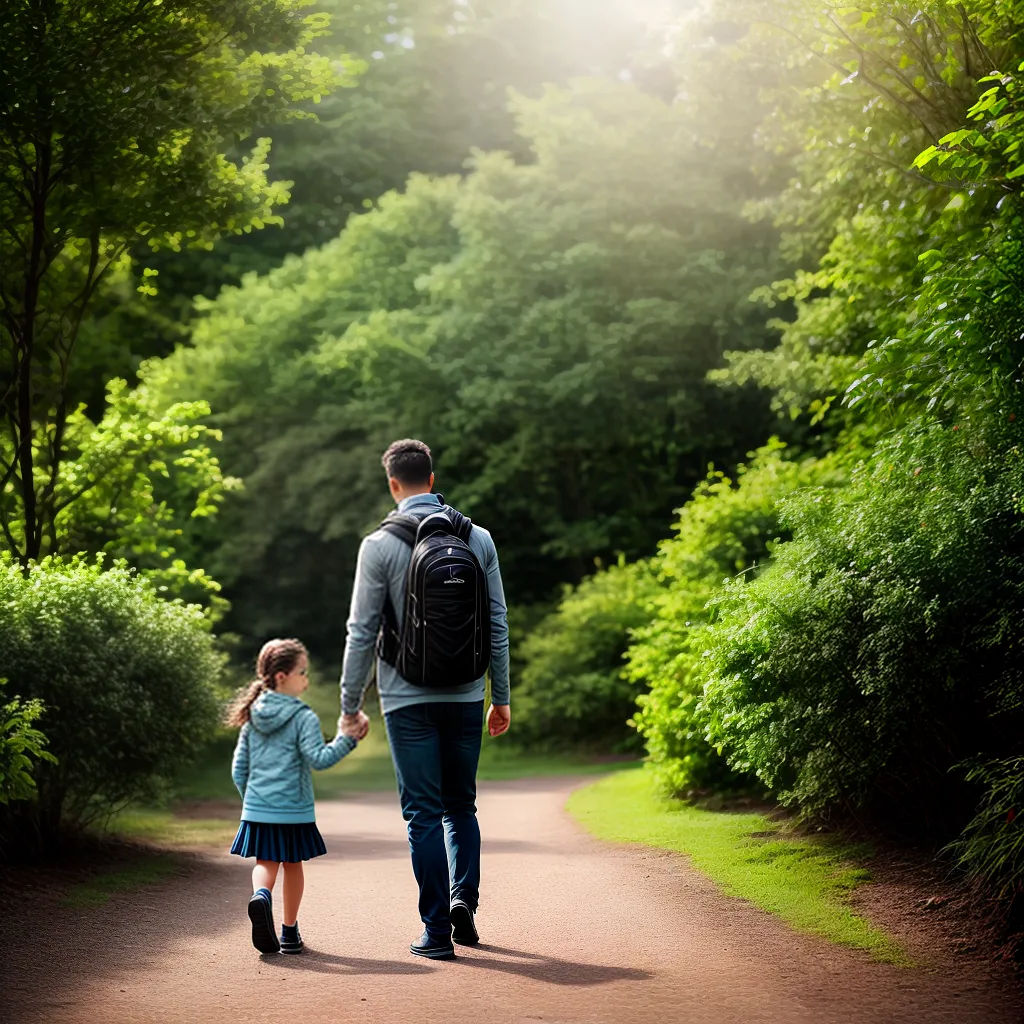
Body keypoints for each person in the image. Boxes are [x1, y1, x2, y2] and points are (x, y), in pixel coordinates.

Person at [339, 438, 510, 961]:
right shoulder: (477, 538)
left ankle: (436, 933)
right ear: (432, 479)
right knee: (461, 805)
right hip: (466, 694)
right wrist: (500, 696)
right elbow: (498, 623)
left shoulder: (378, 545)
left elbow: (361, 632)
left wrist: (349, 704)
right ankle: (464, 904)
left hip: (404, 699)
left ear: (393, 484)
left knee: (422, 815)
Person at [227, 637, 359, 955]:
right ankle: (289, 932)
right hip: (293, 810)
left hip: (258, 809)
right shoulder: (303, 717)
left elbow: (238, 770)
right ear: (282, 676)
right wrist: (347, 739)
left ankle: (261, 896)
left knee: (265, 862)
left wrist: (252, 802)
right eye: (302, 672)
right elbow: (319, 759)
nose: (306, 680)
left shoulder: (252, 717)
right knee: (293, 865)